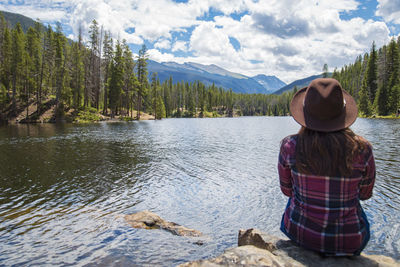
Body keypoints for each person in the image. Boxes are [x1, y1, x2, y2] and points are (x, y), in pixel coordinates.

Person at [278, 78, 376, 256]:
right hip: (348, 241)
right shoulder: (363, 149)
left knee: (294, 200)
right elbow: (365, 195)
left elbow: (287, 191)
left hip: (301, 233)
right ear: (342, 112)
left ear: (305, 114)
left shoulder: (289, 146)